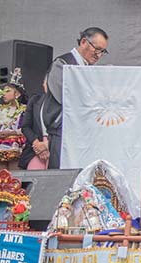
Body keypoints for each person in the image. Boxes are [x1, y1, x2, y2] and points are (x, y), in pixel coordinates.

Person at [38, 27, 108, 170]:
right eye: (97, 49)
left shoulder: (89, 68)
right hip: (62, 130)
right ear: (83, 42)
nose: (99, 55)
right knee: (60, 178)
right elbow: (65, 97)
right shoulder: (62, 63)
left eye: (103, 51)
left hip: (83, 132)